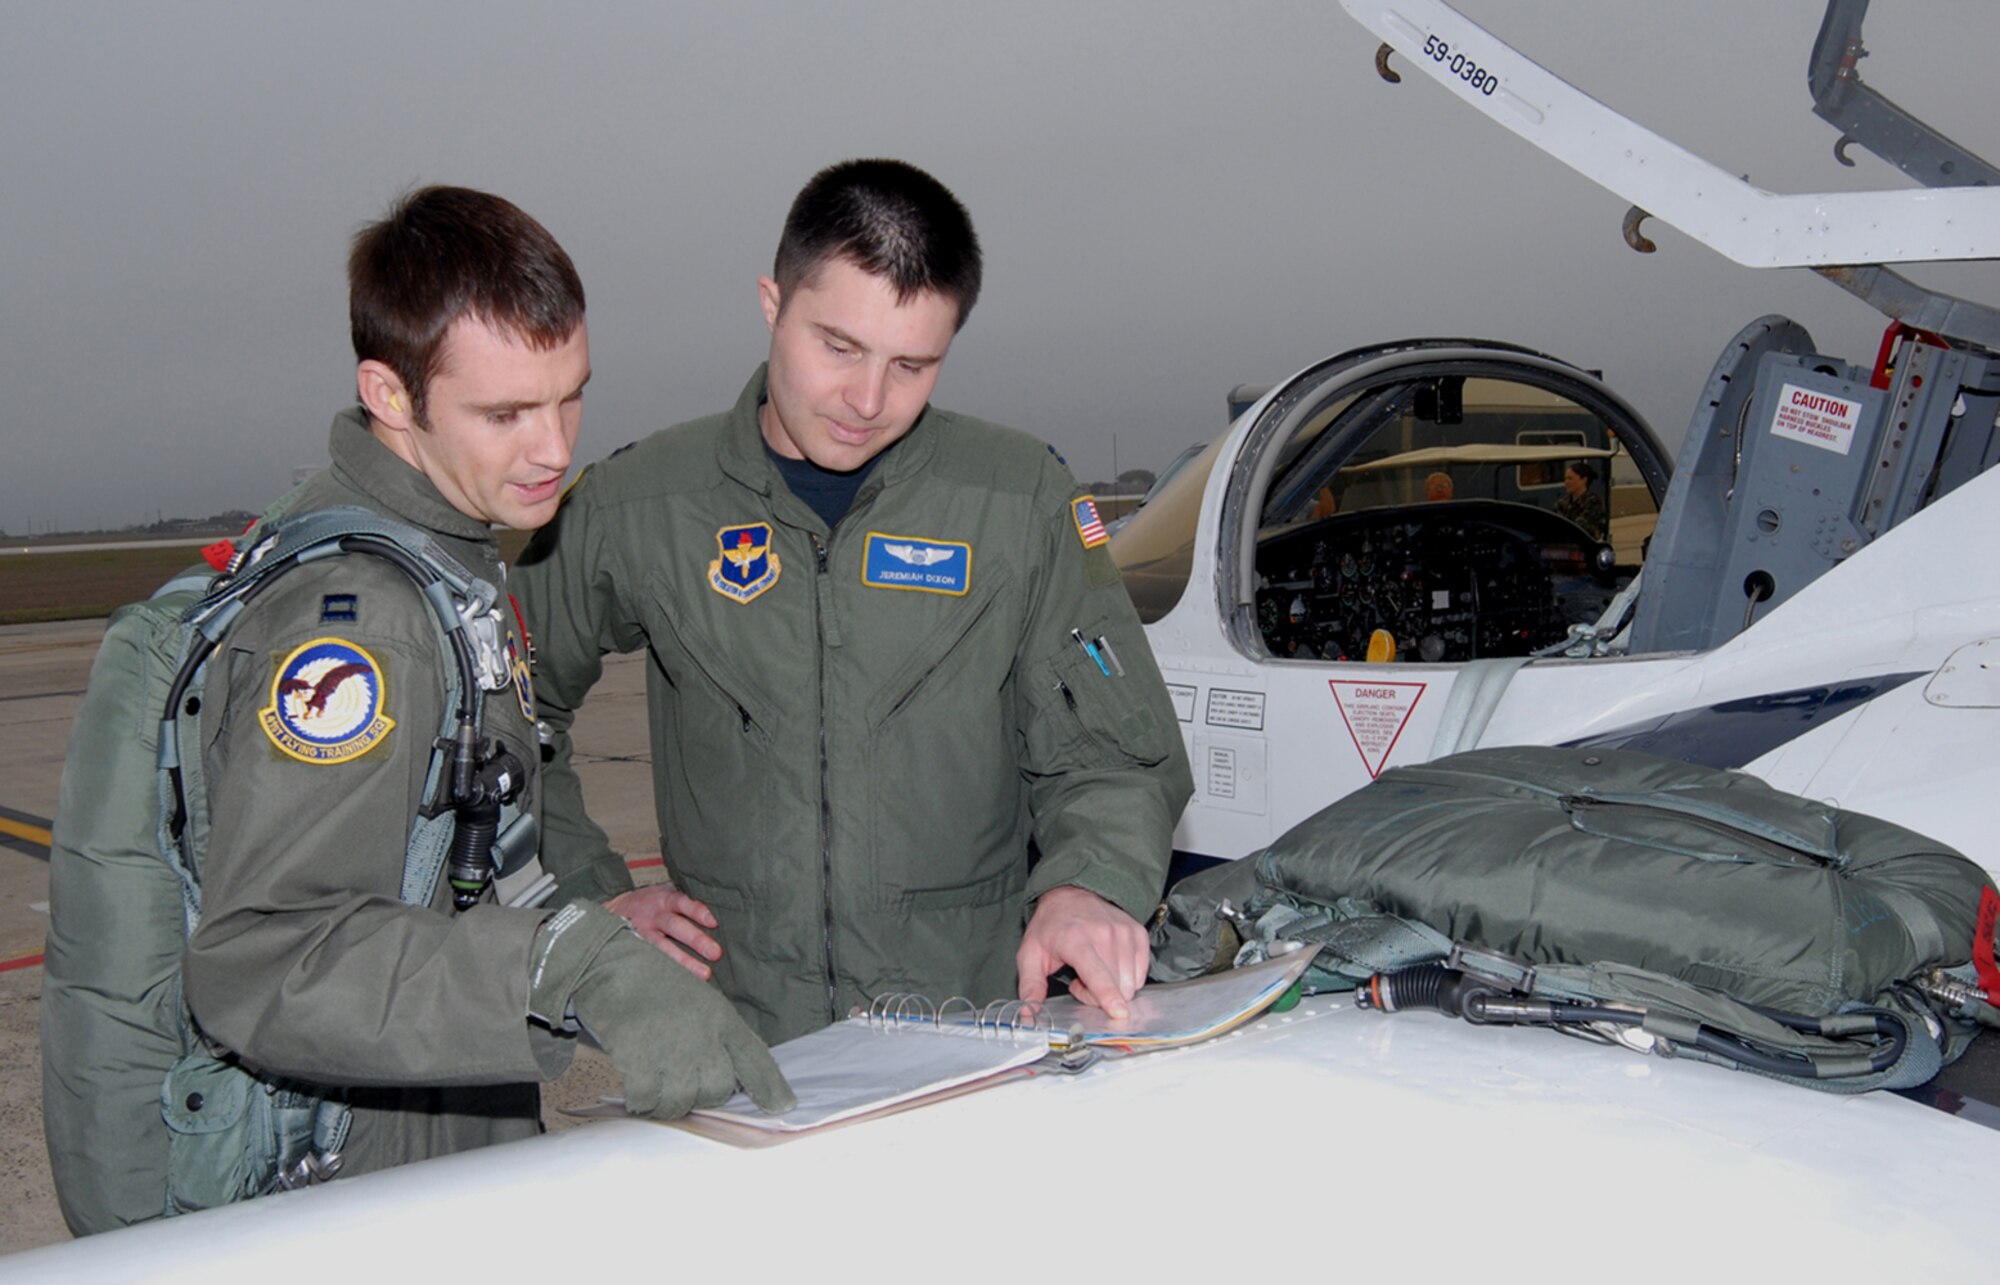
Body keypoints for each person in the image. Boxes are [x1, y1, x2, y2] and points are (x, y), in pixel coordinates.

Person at [41, 186, 789, 1235]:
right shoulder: (359, 629)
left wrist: (574, 917)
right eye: (504, 414)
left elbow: (430, 864)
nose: (551, 449)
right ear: (388, 395)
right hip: (345, 1178)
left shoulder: (440, 561)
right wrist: (565, 964)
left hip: (420, 1123)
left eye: (569, 397)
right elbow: (272, 958)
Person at [516, 159, 1194, 1046]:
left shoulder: (1017, 499)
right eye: (838, 347)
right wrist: (591, 893)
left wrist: (1087, 884)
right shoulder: (640, 504)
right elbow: (504, 708)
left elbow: (1116, 750)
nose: (869, 401)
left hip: (966, 1032)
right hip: (732, 1042)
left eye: (912, 364)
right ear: (772, 303)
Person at [1554, 460, 1609, 540]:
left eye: (1570, 478)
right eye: (1565, 479)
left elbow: (1581, 527)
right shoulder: (1562, 502)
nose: (1566, 482)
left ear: (1584, 480)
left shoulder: (1593, 502)